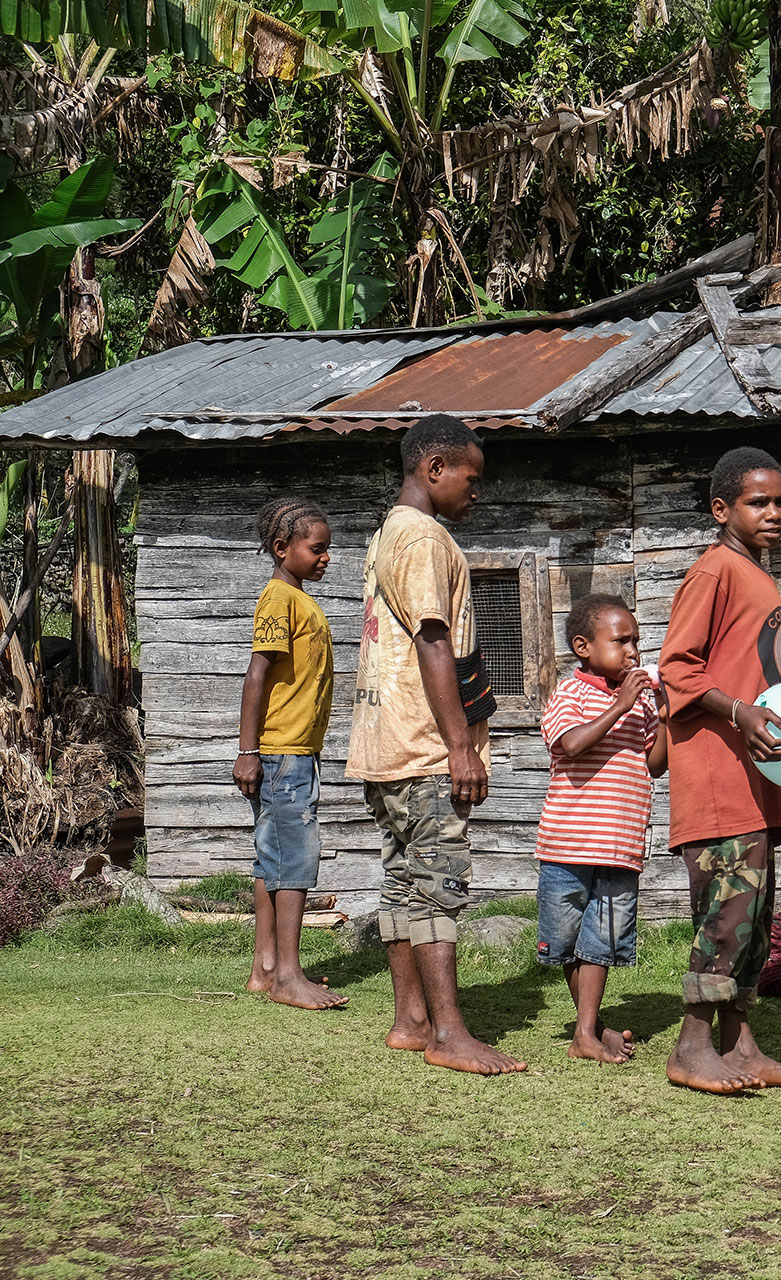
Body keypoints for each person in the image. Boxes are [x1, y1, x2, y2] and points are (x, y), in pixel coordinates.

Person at [347, 415, 524, 1074]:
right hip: (422, 745)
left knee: (403, 884)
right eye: (470, 479)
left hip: (384, 744)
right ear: (435, 468)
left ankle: (411, 1020)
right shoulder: (423, 538)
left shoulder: (388, 532)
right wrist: (460, 746)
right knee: (439, 884)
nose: (476, 492)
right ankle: (449, 1033)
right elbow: (431, 639)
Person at [658, 446, 781, 1094]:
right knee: (726, 912)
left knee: (754, 914)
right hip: (718, 771)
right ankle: (692, 1046)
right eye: (759, 501)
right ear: (723, 509)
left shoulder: (759, 574)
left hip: (755, 776)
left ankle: (741, 1044)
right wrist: (740, 713)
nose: (774, 512)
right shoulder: (714, 570)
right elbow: (676, 666)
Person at [534, 594, 667, 1065]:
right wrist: (620, 704)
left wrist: (664, 715)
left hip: (621, 843)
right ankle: (588, 1030)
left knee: (602, 941)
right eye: (621, 641)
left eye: (637, 641)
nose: (634, 651)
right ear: (583, 647)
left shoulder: (643, 703)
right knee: (568, 940)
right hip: (569, 842)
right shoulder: (570, 693)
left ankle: (587, 1031)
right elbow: (569, 743)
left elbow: (654, 764)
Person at [234, 496, 346, 1011]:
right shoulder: (279, 599)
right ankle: (290, 977)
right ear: (282, 548)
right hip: (281, 752)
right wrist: (248, 751)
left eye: (328, 549)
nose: (326, 557)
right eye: (316, 548)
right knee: (296, 859)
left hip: (292, 751)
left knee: (271, 858)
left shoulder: (299, 599)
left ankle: (266, 968)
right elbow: (257, 674)